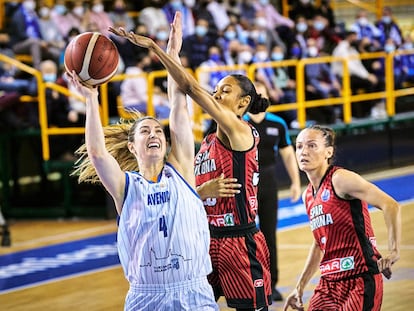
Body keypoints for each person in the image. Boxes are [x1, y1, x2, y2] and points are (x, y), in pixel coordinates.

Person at [109, 11, 273, 310]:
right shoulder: (209, 142)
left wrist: (159, 49)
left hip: (239, 239)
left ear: (242, 104)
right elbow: (187, 194)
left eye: (225, 90)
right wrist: (202, 192)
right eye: (217, 88)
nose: (216, 92)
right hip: (205, 241)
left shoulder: (240, 131)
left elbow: (191, 89)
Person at [68, 14, 218, 310]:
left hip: (194, 293)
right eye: (145, 131)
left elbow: (178, 104)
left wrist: (171, 54)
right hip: (145, 297)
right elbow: (98, 153)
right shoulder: (126, 187)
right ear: (132, 147)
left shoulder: (182, 172)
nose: (154, 134)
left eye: (157, 130)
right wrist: (91, 99)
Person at [283, 125, 401, 311]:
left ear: (328, 152)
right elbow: (319, 242)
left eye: (312, 145)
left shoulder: (340, 179)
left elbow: (390, 205)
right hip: (328, 283)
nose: (303, 151)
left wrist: (394, 251)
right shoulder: (308, 195)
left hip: (359, 278)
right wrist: (299, 287)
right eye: (299, 146)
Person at [244, 81, 302, 301]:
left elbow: (288, 154)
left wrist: (296, 182)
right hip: (245, 183)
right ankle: (248, 283)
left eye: (262, 92)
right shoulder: (239, 123)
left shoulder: (278, 124)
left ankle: (271, 284)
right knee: (245, 235)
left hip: (268, 182)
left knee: (269, 235)